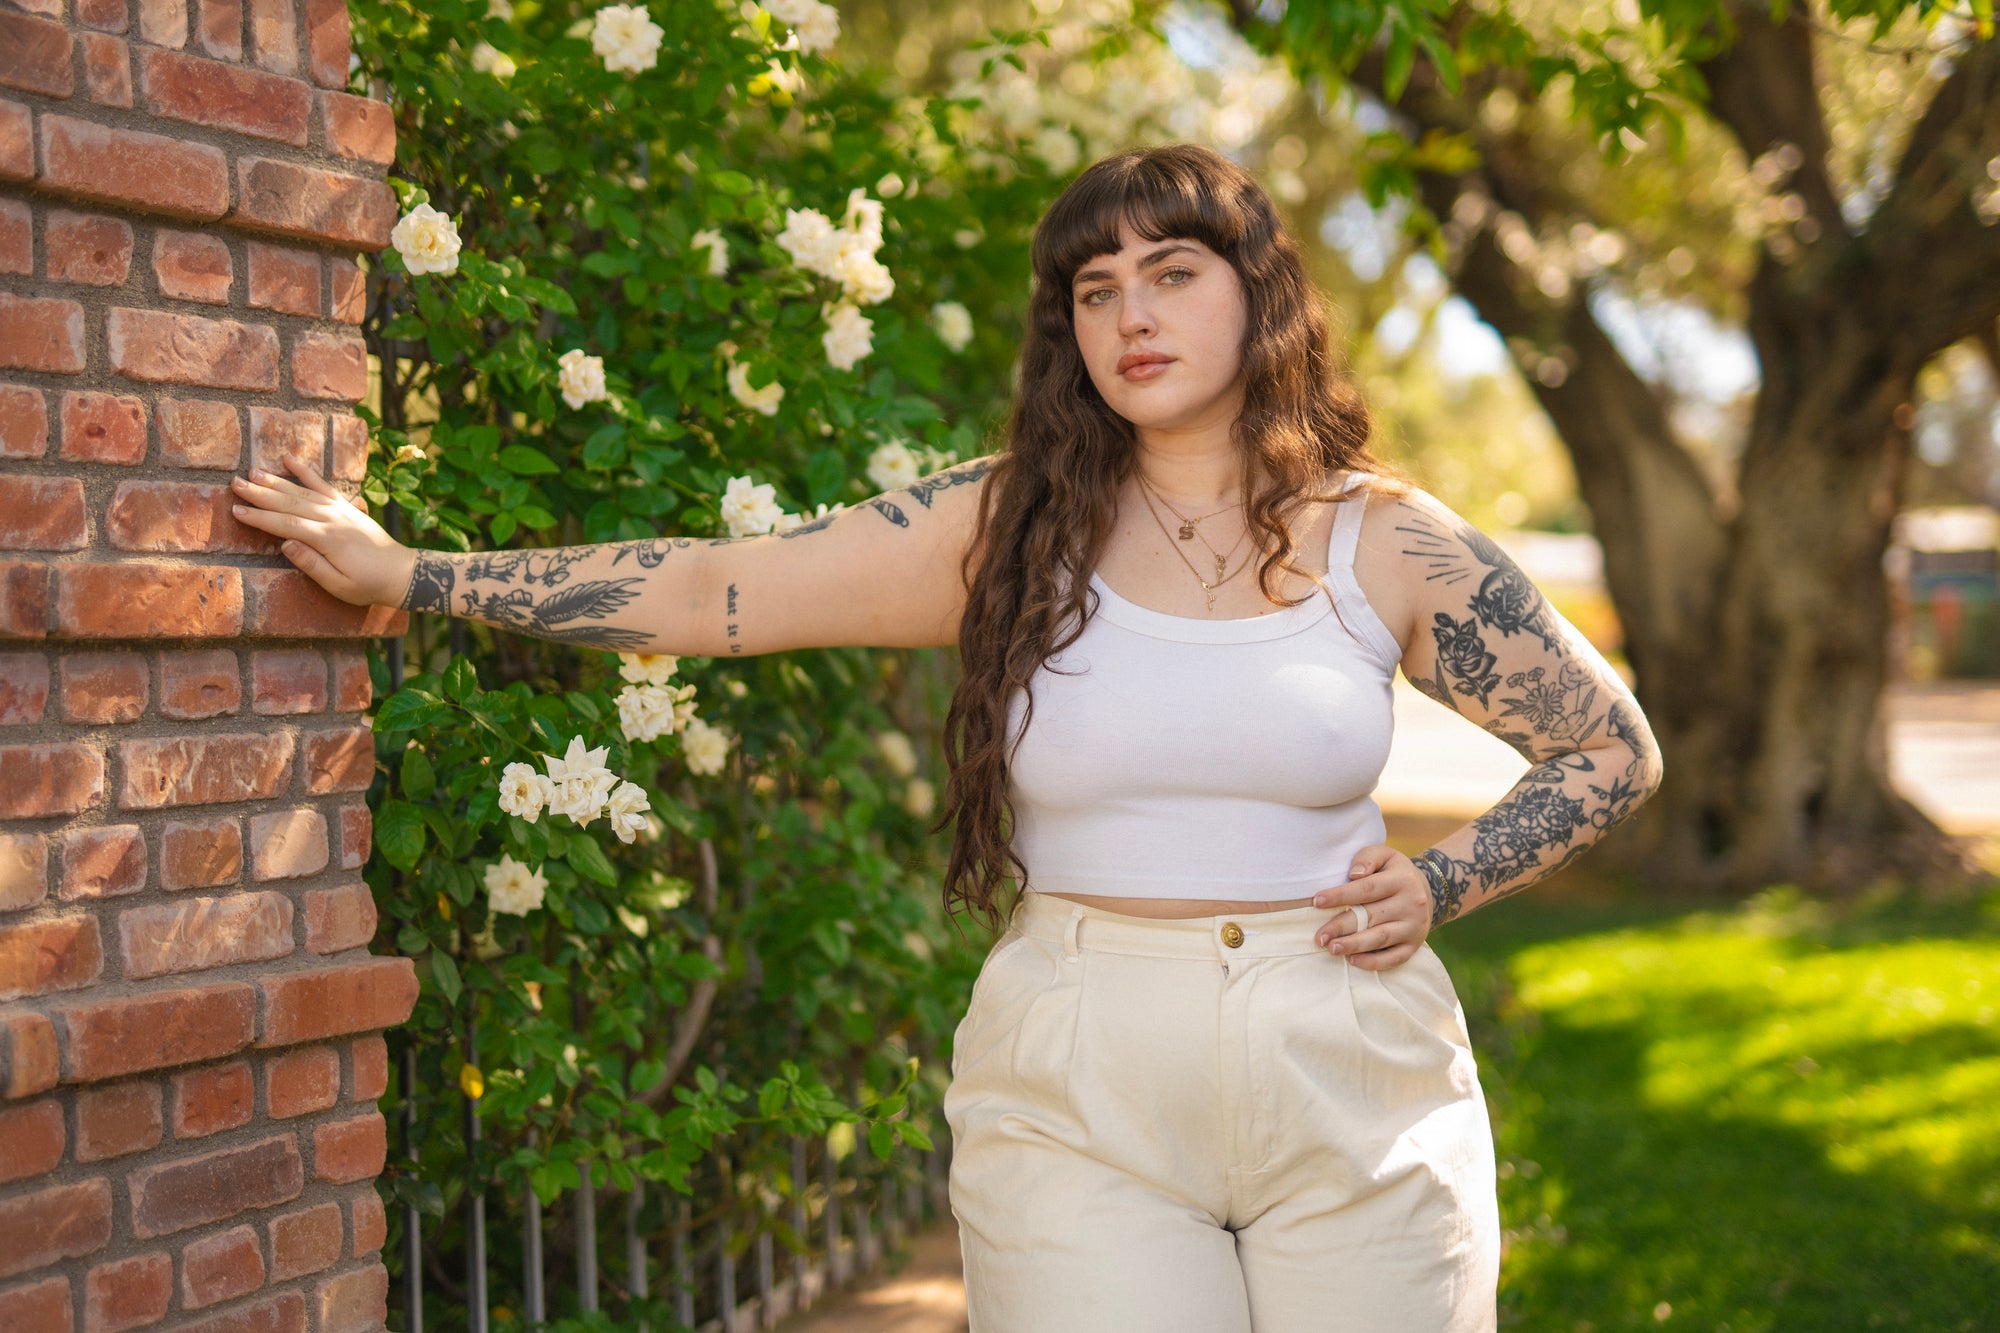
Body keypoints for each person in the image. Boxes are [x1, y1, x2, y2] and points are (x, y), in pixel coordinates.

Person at [231, 142, 1665, 1331]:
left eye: (1173, 272)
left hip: (1349, 1063)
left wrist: (1442, 881)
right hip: (1080, 1073)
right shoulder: (1002, 529)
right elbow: (718, 590)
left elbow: (1610, 749)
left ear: (1259, 296)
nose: (1132, 316)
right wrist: (409, 571)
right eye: (1095, 290)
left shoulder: (1388, 541)